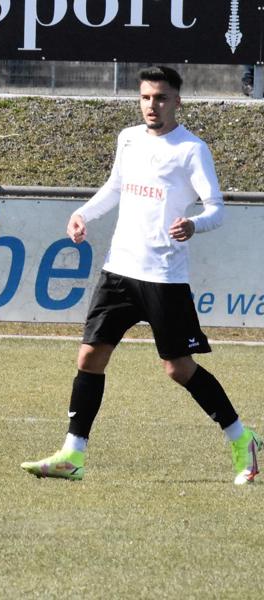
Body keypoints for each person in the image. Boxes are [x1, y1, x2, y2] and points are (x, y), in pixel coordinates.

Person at [20, 66, 259, 485]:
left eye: (162, 97)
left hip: (163, 276)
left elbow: (216, 208)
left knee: (177, 368)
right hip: (119, 270)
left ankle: (242, 439)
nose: (153, 105)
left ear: (177, 101)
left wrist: (194, 225)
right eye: (147, 97)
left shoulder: (191, 149)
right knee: (90, 357)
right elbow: (115, 187)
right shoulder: (128, 139)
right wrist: (81, 213)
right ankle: (73, 454)